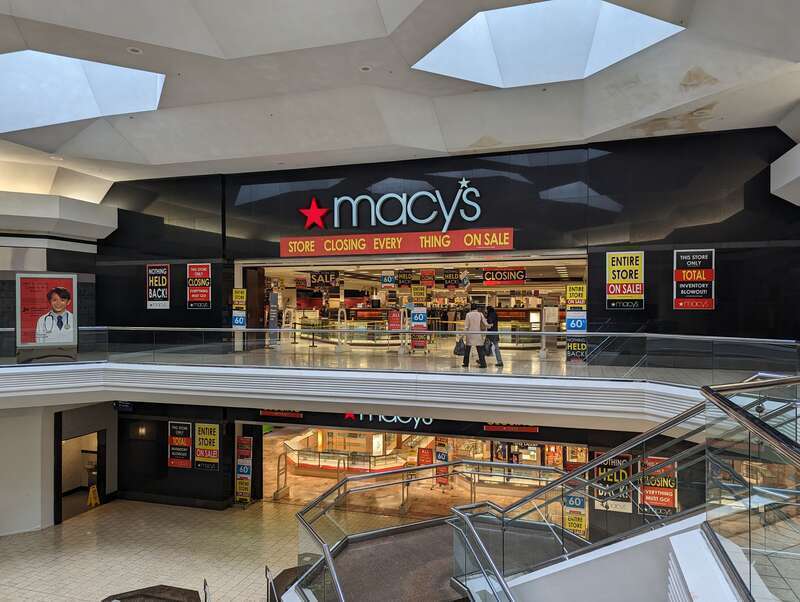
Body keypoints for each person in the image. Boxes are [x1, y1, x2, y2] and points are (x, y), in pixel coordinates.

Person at [462, 302, 488, 368]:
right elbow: (485, 323)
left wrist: (463, 334)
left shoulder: (468, 314)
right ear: (476, 308)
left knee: (467, 350)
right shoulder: (480, 314)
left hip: (470, 334)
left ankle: (466, 363)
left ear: (471, 308)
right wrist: (490, 326)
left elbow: (466, 326)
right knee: (480, 350)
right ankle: (483, 363)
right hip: (478, 334)